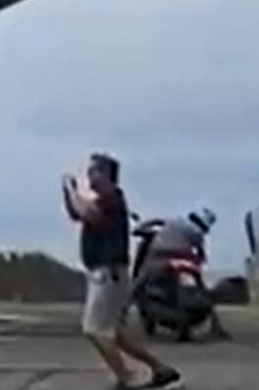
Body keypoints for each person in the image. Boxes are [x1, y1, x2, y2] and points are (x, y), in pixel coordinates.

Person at [62, 153, 182, 390]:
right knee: (114, 333)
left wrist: (72, 190)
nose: (90, 176)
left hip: (108, 273)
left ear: (107, 175)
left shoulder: (112, 196)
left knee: (94, 329)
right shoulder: (103, 199)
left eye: (95, 171)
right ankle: (160, 369)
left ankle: (127, 378)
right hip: (107, 273)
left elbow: (88, 214)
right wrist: (68, 194)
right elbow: (76, 213)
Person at [137, 208, 230, 340]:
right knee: (201, 288)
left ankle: (122, 313)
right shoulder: (197, 234)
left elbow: (151, 225)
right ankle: (216, 326)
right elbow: (200, 253)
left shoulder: (175, 223)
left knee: (141, 280)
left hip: (161, 257)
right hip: (183, 260)